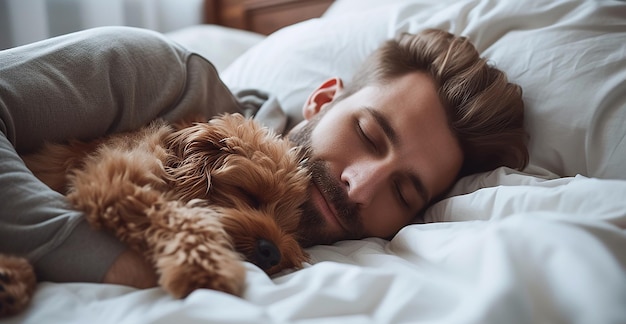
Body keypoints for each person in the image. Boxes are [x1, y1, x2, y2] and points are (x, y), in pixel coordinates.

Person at [0, 27, 527, 290]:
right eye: (368, 135)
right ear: (322, 101)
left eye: (403, 192)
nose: (360, 187)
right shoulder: (162, 75)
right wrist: (116, 263)